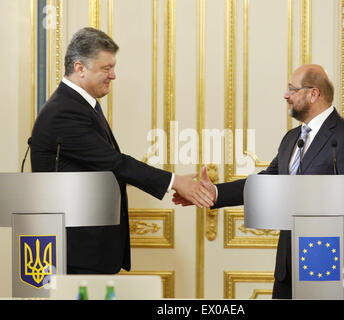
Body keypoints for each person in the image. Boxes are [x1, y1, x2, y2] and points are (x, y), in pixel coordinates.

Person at [173, 64, 344, 300]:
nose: (285, 95)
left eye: (292, 89)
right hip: (289, 269)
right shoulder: (292, 139)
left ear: (314, 93)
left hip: (332, 267)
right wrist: (214, 193)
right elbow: (266, 183)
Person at [30, 27, 213, 274]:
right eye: (106, 68)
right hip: (74, 252)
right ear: (80, 68)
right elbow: (114, 163)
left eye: (113, 67)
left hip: (86, 249)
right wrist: (174, 181)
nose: (113, 75)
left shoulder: (79, 104)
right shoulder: (65, 111)